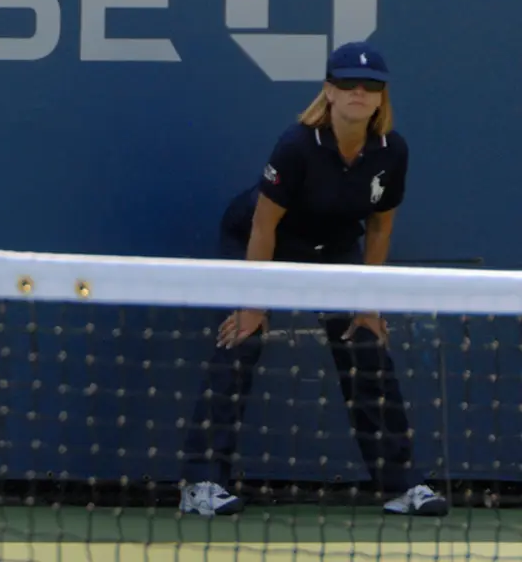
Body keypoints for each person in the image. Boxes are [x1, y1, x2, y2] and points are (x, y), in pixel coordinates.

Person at [178, 41, 449, 519]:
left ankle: (400, 485)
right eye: (347, 83)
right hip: (264, 242)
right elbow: (264, 225)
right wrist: (254, 304)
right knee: (241, 340)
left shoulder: (392, 151)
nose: (358, 92)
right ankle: (201, 483)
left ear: (382, 97)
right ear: (329, 91)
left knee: (365, 348)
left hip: (335, 251)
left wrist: (368, 304)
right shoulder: (298, 144)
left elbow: (381, 225)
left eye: (370, 86)